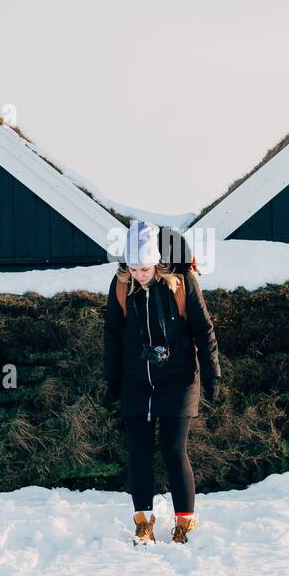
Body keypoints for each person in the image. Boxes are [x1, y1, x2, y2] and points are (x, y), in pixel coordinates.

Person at [102, 220, 222, 545]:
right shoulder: (121, 287)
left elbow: (204, 330)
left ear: (156, 261)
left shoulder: (181, 285)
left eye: (144, 267)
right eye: (133, 267)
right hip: (136, 380)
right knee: (139, 450)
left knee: (172, 449)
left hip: (179, 379)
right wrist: (111, 379)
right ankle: (143, 522)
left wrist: (213, 375)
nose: (139, 274)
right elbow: (112, 335)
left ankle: (184, 523)